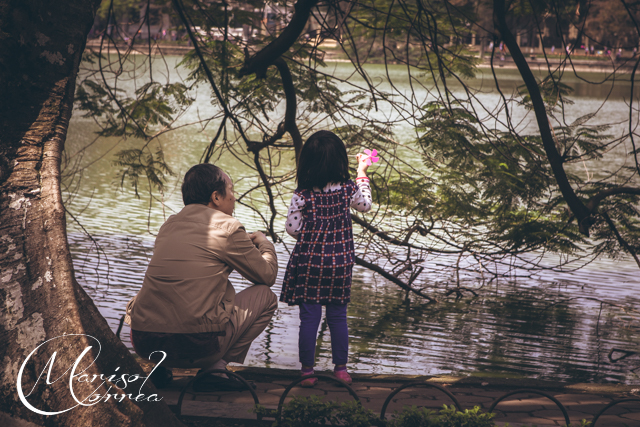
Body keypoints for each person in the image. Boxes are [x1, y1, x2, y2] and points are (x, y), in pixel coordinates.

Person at [129, 164, 278, 390]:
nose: (234, 197)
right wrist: (263, 241)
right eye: (231, 190)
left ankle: (161, 368)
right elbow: (266, 276)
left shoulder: (169, 225)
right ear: (216, 197)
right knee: (265, 296)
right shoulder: (228, 227)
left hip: (144, 342)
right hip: (197, 348)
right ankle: (216, 369)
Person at [280, 130, 373, 387]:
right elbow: (365, 205)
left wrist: (311, 235)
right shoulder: (348, 189)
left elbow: (292, 229)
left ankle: (307, 372)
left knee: (309, 318)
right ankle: (341, 370)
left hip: (311, 263)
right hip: (340, 263)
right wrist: (362, 172)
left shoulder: (302, 195)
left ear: (307, 163)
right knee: (338, 317)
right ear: (340, 162)